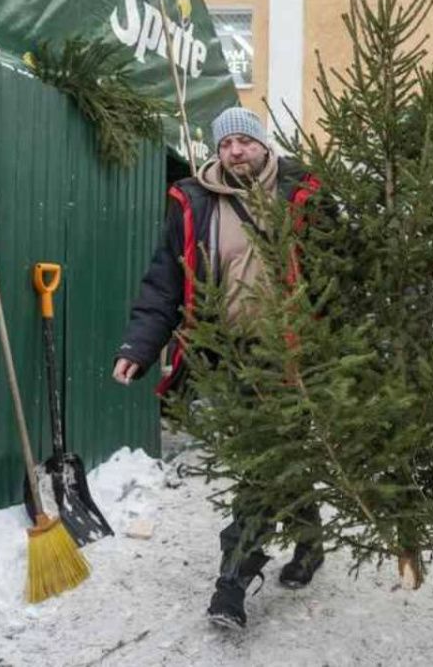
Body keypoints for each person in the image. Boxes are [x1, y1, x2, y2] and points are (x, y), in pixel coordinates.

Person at [112, 107, 324, 630]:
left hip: (293, 355)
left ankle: (232, 582)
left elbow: (341, 267)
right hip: (232, 355)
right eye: (225, 143)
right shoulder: (195, 203)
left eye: (243, 142)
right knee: (281, 455)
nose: (235, 152)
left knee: (266, 461)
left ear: (262, 145)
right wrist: (138, 348)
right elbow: (165, 282)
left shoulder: (303, 194)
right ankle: (310, 544)